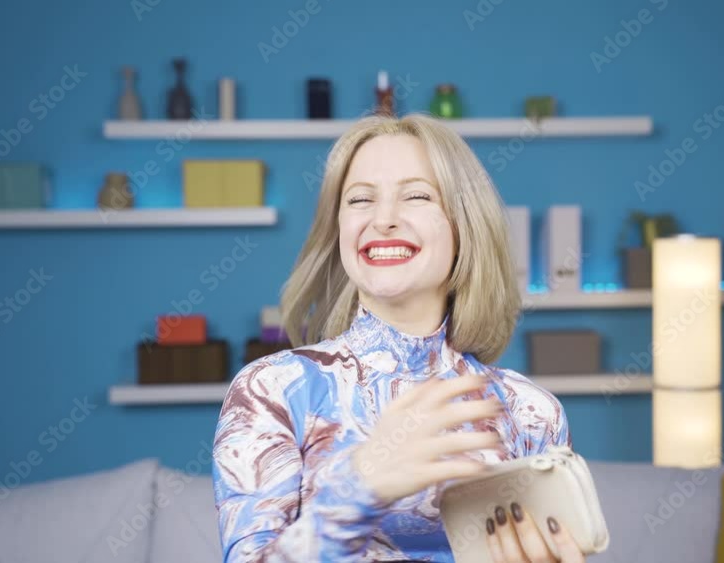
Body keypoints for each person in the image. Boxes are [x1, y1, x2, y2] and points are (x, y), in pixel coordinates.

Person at [212, 113, 585, 562]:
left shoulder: (531, 413)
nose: (383, 219)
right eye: (360, 199)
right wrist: (360, 485)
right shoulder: (273, 390)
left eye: (416, 195)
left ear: (464, 224)